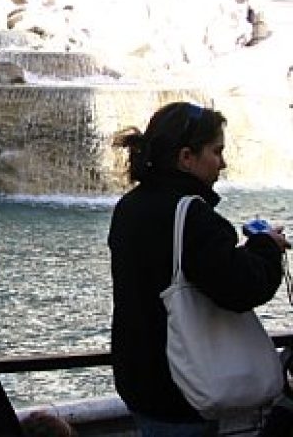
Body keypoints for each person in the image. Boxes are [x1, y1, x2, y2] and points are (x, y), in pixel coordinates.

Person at [108, 101, 287, 436]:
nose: (223, 163)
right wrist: (266, 247)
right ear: (186, 157)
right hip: (183, 390)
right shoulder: (193, 216)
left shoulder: (128, 207)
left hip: (139, 382)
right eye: (216, 152)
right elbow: (241, 287)